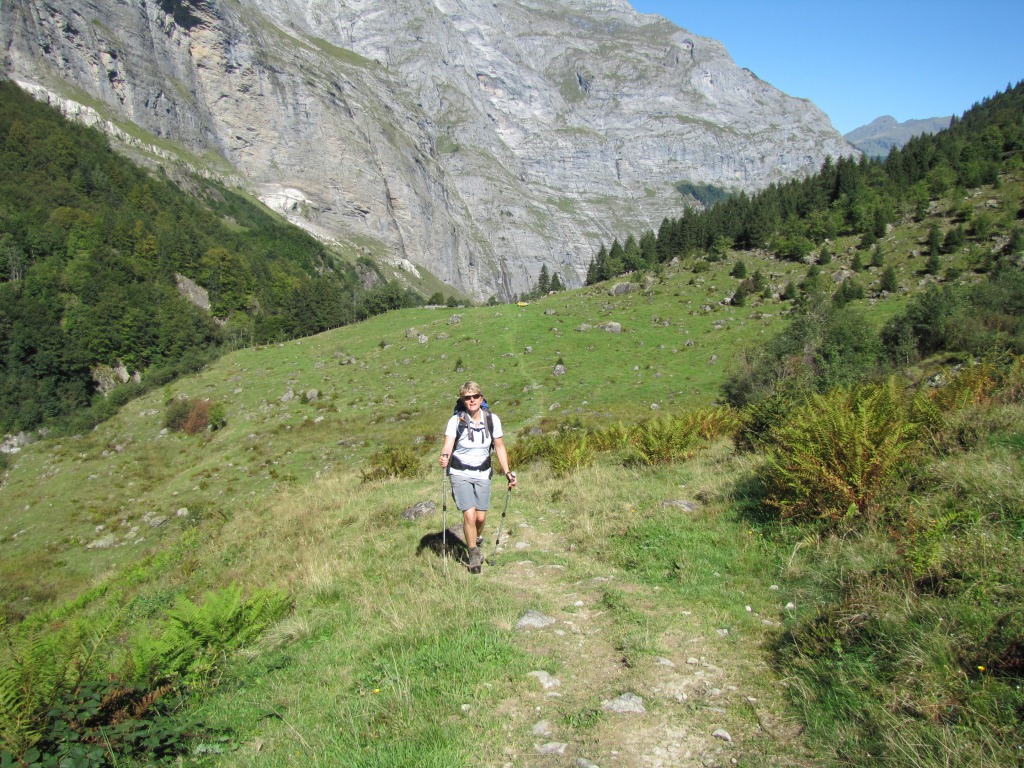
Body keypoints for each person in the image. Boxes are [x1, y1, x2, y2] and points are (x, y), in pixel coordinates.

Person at [438, 381, 517, 573]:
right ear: (462, 400)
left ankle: (476, 537)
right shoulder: (455, 421)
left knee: (481, 518)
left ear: (481, 398)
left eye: (475, 396)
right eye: (467, 397)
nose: (472, 400)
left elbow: (499, 446)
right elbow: (448, 444)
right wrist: (445, 456)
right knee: (470, 515)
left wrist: (507, 472)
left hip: (483, 472)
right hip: (460, 472)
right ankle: (473, 553)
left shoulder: (492, 419)